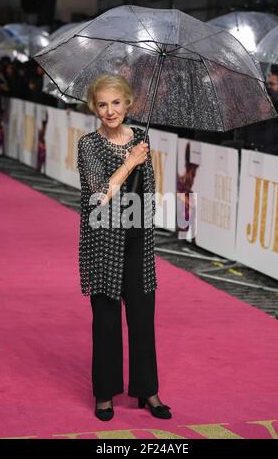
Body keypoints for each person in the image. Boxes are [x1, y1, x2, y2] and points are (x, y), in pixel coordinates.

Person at [77, 73, 172, 422]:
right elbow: (98, 195)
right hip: (103, 238)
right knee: (105, 320)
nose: (109, 110)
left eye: (116, 103)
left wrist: (146, 228)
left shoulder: (142, 138)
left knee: (143, 318)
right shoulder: (88, 144)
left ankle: (148, 390)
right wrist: (129, 162)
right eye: (102, 104)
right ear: (94, 107)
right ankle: (105, 394)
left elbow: (148, 190)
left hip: (137, 239)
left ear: (129, 104)